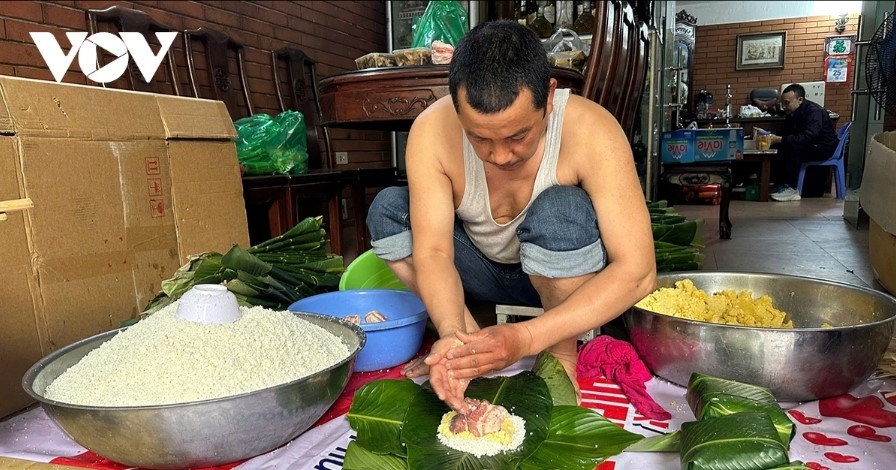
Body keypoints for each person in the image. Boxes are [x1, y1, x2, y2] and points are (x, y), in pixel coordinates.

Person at [365, 20, 656, 414]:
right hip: (479, 271)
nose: (500, 156)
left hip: (564, 279)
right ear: (456, 107)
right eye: (479, 138)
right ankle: (468, 341)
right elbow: (433, 251)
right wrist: (452, 337)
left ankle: (559, 357)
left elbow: (638, 271)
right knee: (388, 210)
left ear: (549, 97)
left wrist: (525, 339)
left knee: (561, 211)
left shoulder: (591, 130)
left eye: (518, 136)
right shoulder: (432, 130)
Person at [757, 83, 838, 202]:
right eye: (782, 103)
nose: (784, 107)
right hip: (810, 144)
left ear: (800, 100)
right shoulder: (793, 113)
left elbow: (809, 136)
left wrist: (781, 139)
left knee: (792, 147)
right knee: (780, 147)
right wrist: (767, 134)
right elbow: (785, 132)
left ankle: (792, 188)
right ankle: (781, 184)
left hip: (823, 147)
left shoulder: (814, 111)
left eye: (787, 103)